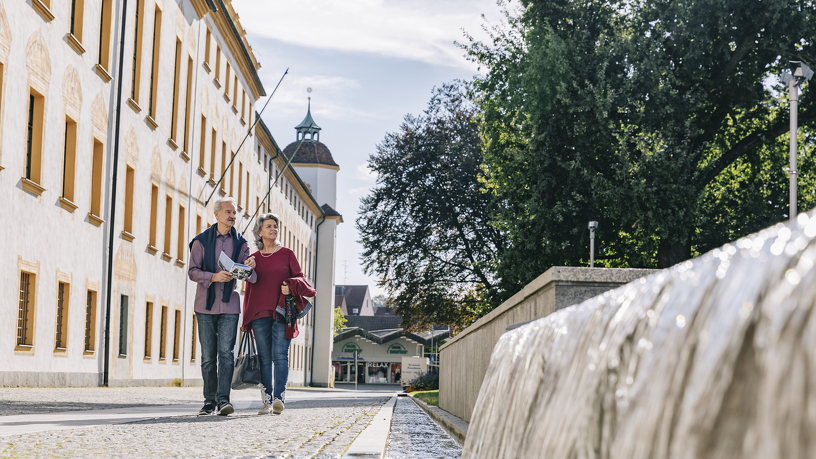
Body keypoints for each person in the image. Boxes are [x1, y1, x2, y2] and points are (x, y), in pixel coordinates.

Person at [188, 197, 256, 416]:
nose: (232, 216)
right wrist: (214, 276)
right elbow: (192, 271)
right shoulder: (200, 241)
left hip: (230, 306)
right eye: (228, 212)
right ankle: (209, 401)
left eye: (234, 212)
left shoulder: (242, 244)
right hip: (205, 306)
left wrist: (249, 267)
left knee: (226, 354)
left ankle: (224, 400)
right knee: (208, 356)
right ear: (216, 214)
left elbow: (252, 277)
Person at [242, 213, 315, 415]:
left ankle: (279, 398)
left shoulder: (287, 254)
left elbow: (301, 279)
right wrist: (248, 270)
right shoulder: (253, 259)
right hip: (259, 313)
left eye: (275, 226)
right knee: (265, 357)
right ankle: (266, 401)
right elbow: (248, 284)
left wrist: (291, 289)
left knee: (280, 355)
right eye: (269, 226)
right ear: (260, 232)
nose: (273, 229)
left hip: (283, 312)